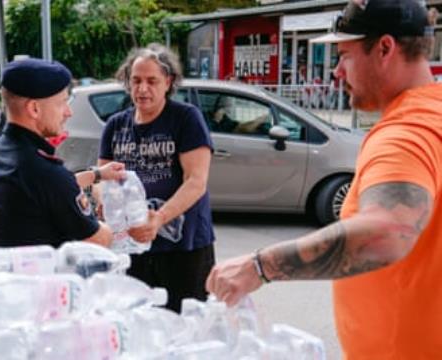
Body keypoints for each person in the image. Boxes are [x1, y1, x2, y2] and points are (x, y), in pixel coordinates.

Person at [206, 0, 442, 358]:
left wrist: (260, 266)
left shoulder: (406, 131)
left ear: (384, 48)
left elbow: (389, 231)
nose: (336, 72)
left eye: (344, 55)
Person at [98, 43, 215, 313]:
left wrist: (159, 218)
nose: (142, 89)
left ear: (168, 82)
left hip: (184, 246)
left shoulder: (186, 118)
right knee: (137, 321)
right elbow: (102, 178)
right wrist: (105, 202)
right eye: (136, 80)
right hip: (131, 247)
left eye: (152, 81)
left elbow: (196, 181)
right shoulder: (115, 125)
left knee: (185, 323)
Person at [0, 58, 124, 248]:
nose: (68, 112)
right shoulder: (44, 172)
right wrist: (117, 222)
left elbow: (42, 195)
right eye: (62, 103)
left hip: (6, 274)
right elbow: (98, 240)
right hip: (47, 276)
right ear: (34, 109)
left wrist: (97, 174)